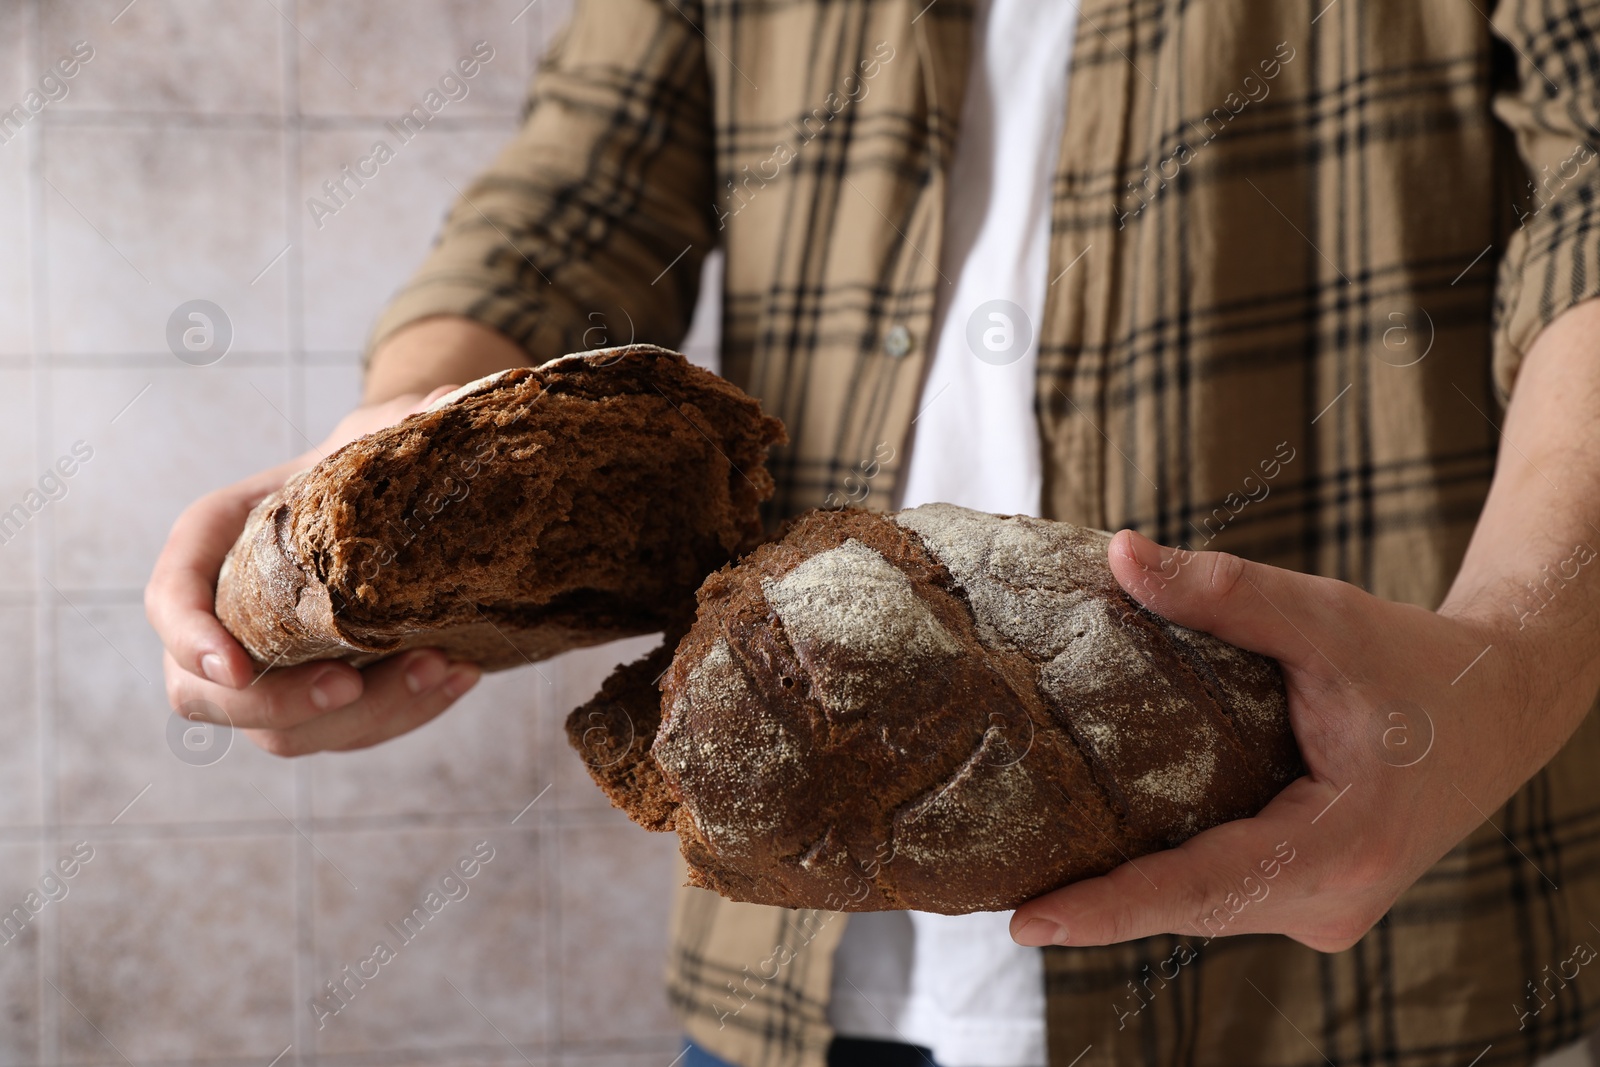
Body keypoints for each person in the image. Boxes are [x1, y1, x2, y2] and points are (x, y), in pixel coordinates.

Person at [145, 0, 1600, 1064]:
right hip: (793, 971)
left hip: (1363, 960)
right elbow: (577, 194)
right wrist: (394, 442)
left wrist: (1512, 663)